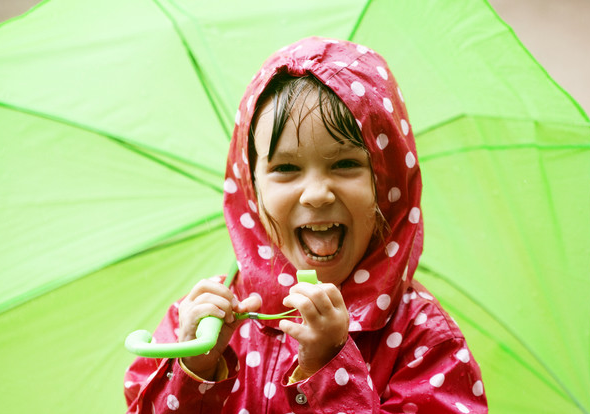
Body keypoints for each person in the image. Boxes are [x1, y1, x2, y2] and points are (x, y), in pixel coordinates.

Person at [124, 36, 487, 413]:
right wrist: (194, 368)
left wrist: (330, 367)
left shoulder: (422, 340)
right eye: (285, 168)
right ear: (251, 188)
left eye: (346, 164)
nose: (316, 194)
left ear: (389, 180)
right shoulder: (204, 323)